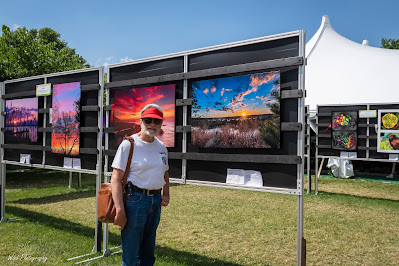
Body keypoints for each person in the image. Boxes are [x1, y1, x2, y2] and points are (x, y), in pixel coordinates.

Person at [111, 103, 170, 266]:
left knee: (148, 251)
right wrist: (120, 209)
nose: (152, 124)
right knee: (131, 254)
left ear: (161, 124)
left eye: (156, 121)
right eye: (148, 120)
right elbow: (115, 178)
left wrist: (166, 193)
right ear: (140, 121)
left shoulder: (161, 147)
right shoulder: (129, 144)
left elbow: (165, 172)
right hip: (134, 201)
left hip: (155, 201)